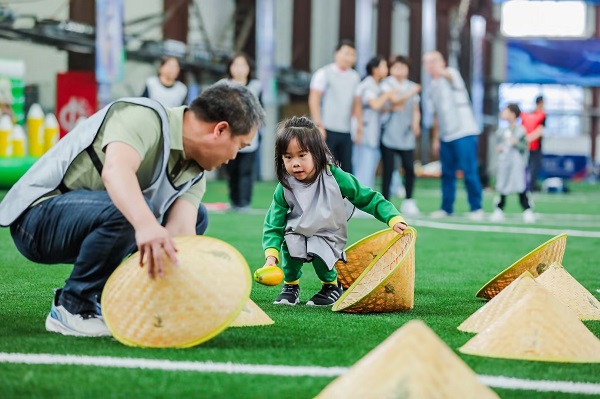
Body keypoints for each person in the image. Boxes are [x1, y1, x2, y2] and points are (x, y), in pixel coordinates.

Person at [0, 82, 264, 337]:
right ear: (219, 130)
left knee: (197, 218)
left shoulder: (194, 173)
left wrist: (210, 294)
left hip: (93, 223)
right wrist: (146, 223)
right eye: (239, 147)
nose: (233, 158)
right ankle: (73, 306)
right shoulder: (142, 116)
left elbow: (180, 237)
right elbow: (116, 172)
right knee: (134, 211)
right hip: (35, 221)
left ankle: (114, 299)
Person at [260, 116, 408, 306]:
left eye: (302, 155)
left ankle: (331, 286)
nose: (295, 163)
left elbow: (368, 197)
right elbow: (274, 223)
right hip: (297, 229)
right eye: (288, 157)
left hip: (327, 229)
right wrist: (271, 257)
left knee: (320, 250)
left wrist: (393, 218)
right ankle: (291, 286)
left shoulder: (334, 176)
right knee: (291, 243)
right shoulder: (285, 185)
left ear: (317, 153)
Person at [423, 51, 483, 220]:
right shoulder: (431, 88)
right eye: (427, 62)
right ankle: (446, 208)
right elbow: (436, 116)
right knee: (447, 173)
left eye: (434, 61)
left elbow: (448, 75)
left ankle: (476, 208)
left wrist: (440, 69)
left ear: (442, 62)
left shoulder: (452, 73)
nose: (430, 65)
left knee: (469, 170)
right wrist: (436, 138)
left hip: (464, 131)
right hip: (445, 135)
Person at [309, 40, 362, 173]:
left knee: (346, 169)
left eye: (352, 54)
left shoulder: (355, 77)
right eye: (346, 53)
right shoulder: (324, 73)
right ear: (336, 54)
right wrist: (318, 125)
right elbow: (314, 99)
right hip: (327, 129)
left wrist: (358, 126)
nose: (349, 58)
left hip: (346, 130)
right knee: (325, 167)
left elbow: (356, 103)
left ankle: (344, 194)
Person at [380, 55, 422, 216]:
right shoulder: (387, 84)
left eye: (403, 67)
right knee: (388, 169)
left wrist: (416, 123)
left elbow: (416, 109)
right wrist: (411, 92)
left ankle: (409, 200)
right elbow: (395, 101)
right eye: (396, 67)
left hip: (406, 135)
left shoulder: (410, 86)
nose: (400, 71)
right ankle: (384, 202)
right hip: (389, 133)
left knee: (410, 168)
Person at [222, 52, 262, 212]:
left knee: (246, 170)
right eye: (235, 65)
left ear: (249, 68)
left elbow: (260, 110)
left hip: (249, 136)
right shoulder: (223, 85)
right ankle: (234, 201)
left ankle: (244, 203)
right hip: (229, 136)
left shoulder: (256, 86)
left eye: (243, 65)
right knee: (232, 170)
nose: (239, 69)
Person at [352, 56, 396, 191]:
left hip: (373, 131)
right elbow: (375, 104)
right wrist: (388, 95)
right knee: (364, 165)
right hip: (364, 131)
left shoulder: (378, 85)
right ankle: (359, 200)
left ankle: (364, 197)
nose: (386, 70)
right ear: (374, 69)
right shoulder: (367, 85)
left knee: (370, 166)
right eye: (383, 66)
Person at [490, 103, 535, 223]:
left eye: (506, 111)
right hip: (505, 163)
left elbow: (524, 147)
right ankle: (499, 209)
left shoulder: (520, 130)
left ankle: (527, 210)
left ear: (513, 114)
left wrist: (516, 142)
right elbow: (499, 146)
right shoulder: (501, 131)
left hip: (517, 164)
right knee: (502, 186)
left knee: (520, 186)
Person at [521, 95, 546, 192]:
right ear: (540, 103)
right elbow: (539, 131)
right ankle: (530, 187)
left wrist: (526, 139)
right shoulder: (541, 115)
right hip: (533, 146)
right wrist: (529, 139)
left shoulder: (529, 115)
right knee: (533, 166)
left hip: (527, 145)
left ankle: (528, 186)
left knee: (530, 166)